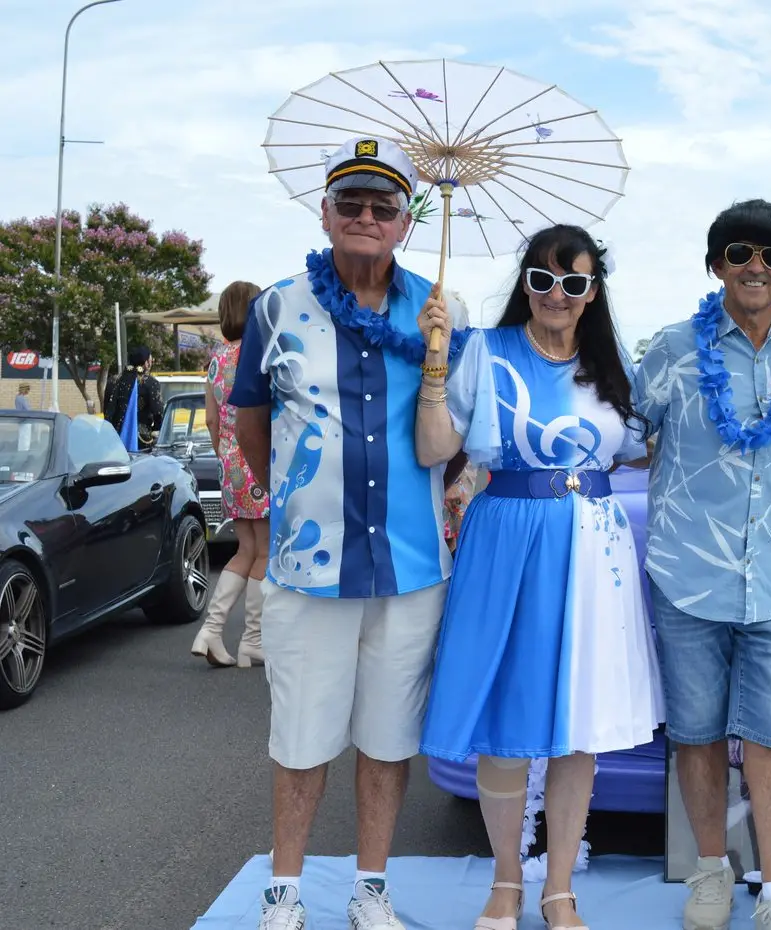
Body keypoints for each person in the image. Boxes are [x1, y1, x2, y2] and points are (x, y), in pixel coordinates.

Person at [229, 136, 470, 930]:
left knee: (387, 739)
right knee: (299, 739)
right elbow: (255, 420)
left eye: (383, 206)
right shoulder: (276, 305)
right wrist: (290, 504)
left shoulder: (443, 309)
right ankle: (284, 893)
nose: (366, 216)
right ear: (324, 212)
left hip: (410, 567)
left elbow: (454, 436)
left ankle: (371, 890)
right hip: (308, 567)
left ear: (405, 222)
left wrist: (440, 349)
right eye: (351, 202)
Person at [415, 224, 662, 930]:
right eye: (543, 279)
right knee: (505, 717)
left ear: (592, 293)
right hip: (508, 539)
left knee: (576, 721)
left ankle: (559, 886)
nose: (557, 294)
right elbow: (436, 450)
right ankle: (504, 883)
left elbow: (645, 451)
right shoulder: (483, 353)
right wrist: (436, 366)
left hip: (595, 549)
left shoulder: (612, 368)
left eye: (574, 282)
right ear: (525, 283)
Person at [632, 200, 771, 930]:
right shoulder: (672, 348)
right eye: (740, 252)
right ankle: (710, 873)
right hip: (687, 573)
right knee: (696, 731)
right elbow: (620, 431)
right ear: (716, 263)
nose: (756, 266)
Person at [190, 280, 272, 668]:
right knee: (266, 552)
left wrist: (225, 453)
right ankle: (252, 640)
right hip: (258, 457)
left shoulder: (217, 359)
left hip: (230, 463)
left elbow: (210, 418)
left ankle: (211, 630)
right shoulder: (258, 355)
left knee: (244, 549)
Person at [103, 346, 164, 451]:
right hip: (141, 441)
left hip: (114, 439)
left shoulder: (113, 381)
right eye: (150, 359)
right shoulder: (150, 383)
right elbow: (158, 413)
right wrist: (156, 431)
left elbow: (107, 409)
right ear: (146, 363)